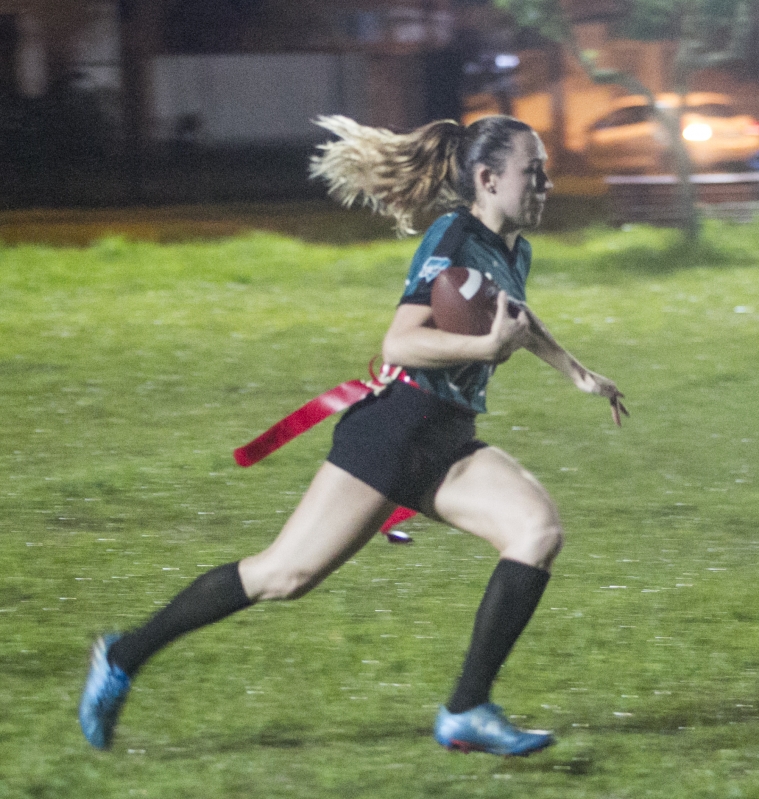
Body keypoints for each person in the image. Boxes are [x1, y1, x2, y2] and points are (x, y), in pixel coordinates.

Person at [79, 114, 628, 756]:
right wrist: (483, 344)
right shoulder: (451, 235)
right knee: (284, 576)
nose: (546, 183)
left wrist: (579, 374)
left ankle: (466, 710)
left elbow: (518, 319)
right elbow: (401, 340)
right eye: (533, 173)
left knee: (537, 531)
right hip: (394, 431)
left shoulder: (515, 249)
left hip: (448, 437)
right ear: (486, 178)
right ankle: (123, 655)